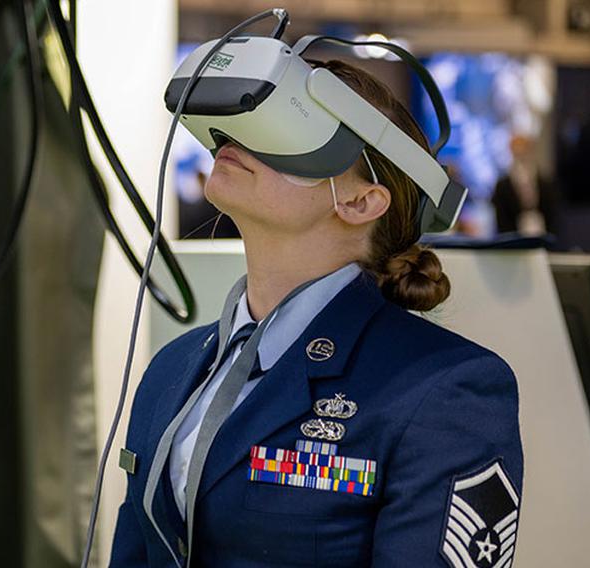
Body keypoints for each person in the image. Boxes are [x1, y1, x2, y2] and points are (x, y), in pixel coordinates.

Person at [110, 59, 523, 568]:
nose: (239, 139)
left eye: (290, 128)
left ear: (359, 201)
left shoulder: (445, 389)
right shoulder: (170, 371)